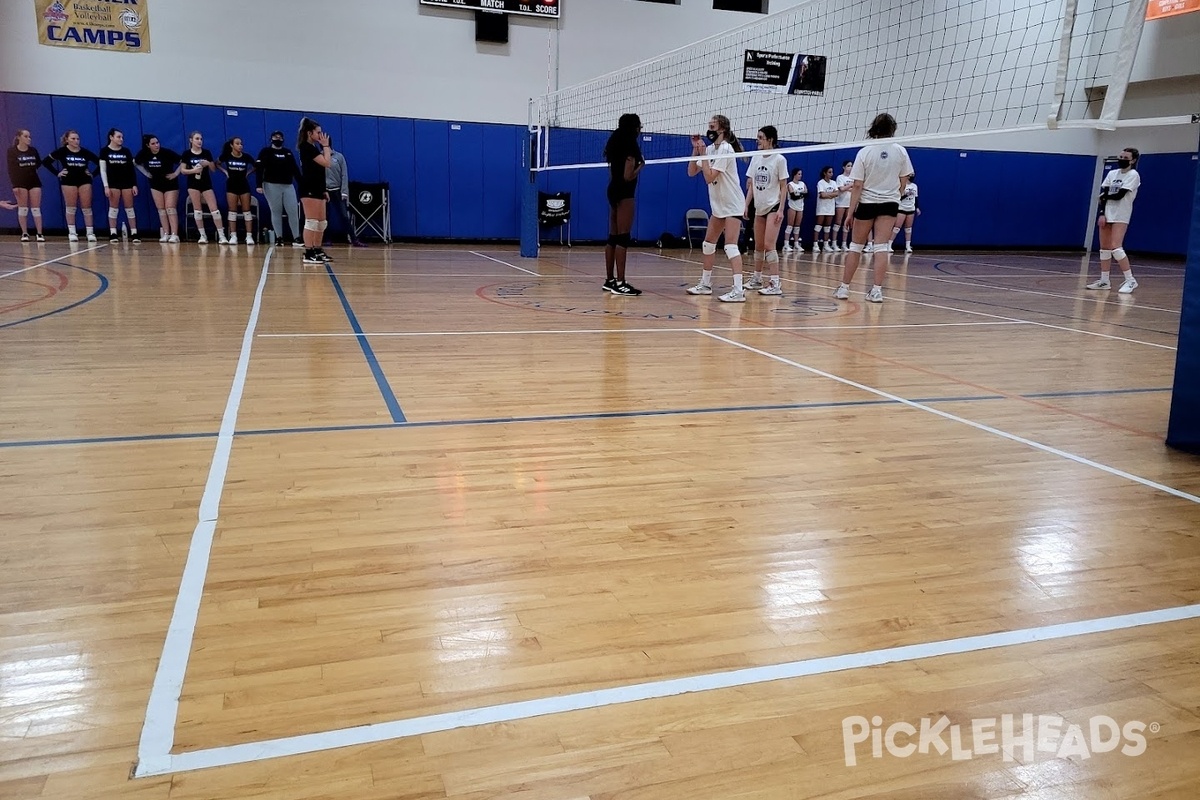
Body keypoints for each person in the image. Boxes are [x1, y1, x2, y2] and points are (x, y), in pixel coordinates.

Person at [833, 113, 913, 303]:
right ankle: (876, 291)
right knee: (881, 247)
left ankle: (844, 288)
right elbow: (905, 178)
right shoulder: (900, 151)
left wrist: (850, 213)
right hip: (889, 203)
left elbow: (858, 186)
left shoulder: (865, 151)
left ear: (874, 128)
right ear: (892, 128)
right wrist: (897, 194)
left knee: (856, 247)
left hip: (867, 202)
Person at [686, 114, 747, 302]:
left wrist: (704, 156)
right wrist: (696, 151)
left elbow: (709, 177)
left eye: (712, 126)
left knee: (730, 246)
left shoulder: (726, 149)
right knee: (708, 244)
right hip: (719, 205)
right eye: (709, 126)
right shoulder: (711, 148)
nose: (709, 130)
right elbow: (691, 172)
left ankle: (738, 291)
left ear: (721, 129)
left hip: (733, 204)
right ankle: (705, 284)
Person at [1087, 148, 1141, 294]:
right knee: (1104, 248)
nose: (1122, 159)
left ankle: (1130, 280)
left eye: (1125, 157)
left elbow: (1119, 195)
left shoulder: (1133, 175)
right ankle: (1104, 281)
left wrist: (1104, 196)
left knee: (1116, 247)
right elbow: (1103, 195)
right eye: (1121, 156)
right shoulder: (1112, 174)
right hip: (1108, 214)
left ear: (1133, 160)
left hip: (1121, 214)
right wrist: (1102, 213)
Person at [743, 125, 789, 296]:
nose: (758, 140)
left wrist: (781, 210)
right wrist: (746, 204)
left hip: (774, 206)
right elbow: (752, 185)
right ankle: (757, 278)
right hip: (759, 206)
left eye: (761, 137)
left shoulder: (779, 159)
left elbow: (784, 187)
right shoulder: (756, 157)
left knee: (769, 245)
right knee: (759, 245)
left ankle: (775, 283)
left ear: (770, 140)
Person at [603, 113, 644, 296]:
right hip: (625, 192)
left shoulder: (614, 143)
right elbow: (628, 176)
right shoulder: (630, 146)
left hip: (613, 189)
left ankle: (609, 281)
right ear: (634, 127)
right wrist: (641, 166)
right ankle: (621, 283)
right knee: (623, 237)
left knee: (613, 237)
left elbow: (614, 173)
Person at [42, 130, 100, 242]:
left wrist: (93, 174)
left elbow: (100, 162)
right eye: (73, 139)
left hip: (84, 181)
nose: (76, 141)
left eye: (78, 139)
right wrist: (57, 173)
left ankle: (90, 232)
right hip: (68, 181)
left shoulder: (85, 152)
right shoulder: (62, 151)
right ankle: (72, 232)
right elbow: (46, 162)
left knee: (86, 207)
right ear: (67, 140)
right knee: (71, 207)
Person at [255, 130, 303, 247]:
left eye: (280, 137)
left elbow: (295, 169)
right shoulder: (266, 152)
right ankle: (279, 237)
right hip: (271, 185)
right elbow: (259, 169)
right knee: (276, 211)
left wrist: (302, 183)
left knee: (292, 211)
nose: (278, 138)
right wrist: (259, 185)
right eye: (276, 137)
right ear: (271, 139)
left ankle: (296, 237)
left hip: (288, 185)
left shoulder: (288, 153)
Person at [297, 117, 333, 265]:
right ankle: (309, 252)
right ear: (309, 133)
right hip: (309, 189)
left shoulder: (313, 148)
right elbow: (327, 163)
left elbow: (320, 171)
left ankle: (317, 249)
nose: (320, 135)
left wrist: (324, 189)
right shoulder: (306, 147)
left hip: (318, 188)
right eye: (318, 132)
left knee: (321, 222)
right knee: (311, 222)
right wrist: (326, 146)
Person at [181, 131, 226, 244]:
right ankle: (202, 235)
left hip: (206, 184)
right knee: (197, 209)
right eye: (197, 139)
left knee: (214, 209)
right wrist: (194, 171)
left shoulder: (206, 153)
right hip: (193, 184)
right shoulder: (186, 154)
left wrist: (208, 163)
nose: (199, 141)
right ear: (191, 140)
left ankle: (222, 235)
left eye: (201, 139)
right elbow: (183, 170)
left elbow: (213, 169)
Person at [135, 134, 182, 242]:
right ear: (148, 145)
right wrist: (146, 173)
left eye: (157, 142)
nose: (156, 145)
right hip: (155, 184)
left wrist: (175, 173)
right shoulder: (144, 154)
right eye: (153, 143)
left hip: (170, 184)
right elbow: (136, 163)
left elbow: (182, 161)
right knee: (161, 209)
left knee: (170, 208)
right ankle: (166, 233)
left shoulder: (166, 153)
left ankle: (175, 234)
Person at [98, 128, 139, 243]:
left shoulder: (126, 151)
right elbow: (103, 170)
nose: (121, 139)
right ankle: (113, 232)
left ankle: (134, 232)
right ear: (111, 137)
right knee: (113, 208)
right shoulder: (104, 151)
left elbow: (131, 170)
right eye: (118, 137)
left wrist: (134, 185)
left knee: (129, 208)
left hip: (126, 183)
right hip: (113, 184)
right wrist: (106, 186)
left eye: (122, 137)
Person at [323, 137, 364, 249]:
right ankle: (327, 239)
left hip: (337, 191)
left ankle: (354, 239)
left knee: (344, 216)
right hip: (325, 191)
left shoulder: (339, 157)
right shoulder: (319, 157)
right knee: (325, 217)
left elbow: (344, 175)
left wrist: (344, 191)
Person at [6, 130, 46, 242]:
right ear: (19, 137)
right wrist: (15, 185)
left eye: (29, 136)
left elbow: (38, 163)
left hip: (34, 181)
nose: (29, 138)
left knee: (36, 208)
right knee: (23, 208)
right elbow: (11, 169)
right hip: (20, 182)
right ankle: (24, 233)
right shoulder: (12, 151)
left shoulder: (33, 151)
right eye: (26, 136)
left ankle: (39, 233)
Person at [219, 137, 256, 244]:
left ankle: (249, 236)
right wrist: (225, 172)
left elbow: (256, 166)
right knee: (232, 211)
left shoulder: (246, 157)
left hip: (244, 185)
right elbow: (217, 163)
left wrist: (248, 173)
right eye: (237, 143)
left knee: (247, 211)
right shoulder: (226, 156)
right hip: (231, 185)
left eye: (241, 144)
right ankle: (233, 235)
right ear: (232, 145)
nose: (240, 145)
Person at [813, 166, 838, 253]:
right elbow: (822, 195)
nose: (831, 174)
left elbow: (837, 193)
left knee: (827, 227)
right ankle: (815, 245)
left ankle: (825, 245)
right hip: (822, 208)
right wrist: (831, 194)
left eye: (832, 172)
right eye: (829, 172)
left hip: (830, 208)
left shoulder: (834, 183)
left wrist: (828, 194)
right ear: (825, 173)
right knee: (818, 225)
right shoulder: (821, 183)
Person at [832, 159, 854, 251]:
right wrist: (850, 186)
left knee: (847, 224)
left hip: (849, 203)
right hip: (841, 203)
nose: (850, 167)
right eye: (848, 166)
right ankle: (834, 243)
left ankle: (844, 244)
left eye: (851, 166)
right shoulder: (840, 177)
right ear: (844, 167)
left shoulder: (853, 178)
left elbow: (855, 189)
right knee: (838, 223)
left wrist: (848, 188)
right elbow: (841, 189)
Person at [783, 167, 806, 253]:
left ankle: (796, 244)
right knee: (790, 225)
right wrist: (801, 194)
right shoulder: (790, 184)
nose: (800, 176)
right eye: (799, 174)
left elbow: (807, 194)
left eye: (801, 174)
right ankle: (786, 244)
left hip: (800, 207)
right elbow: (793, 196)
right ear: (794, 175)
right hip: (792, 206)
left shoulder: (802, 183)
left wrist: (798, 195)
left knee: (797, 226)